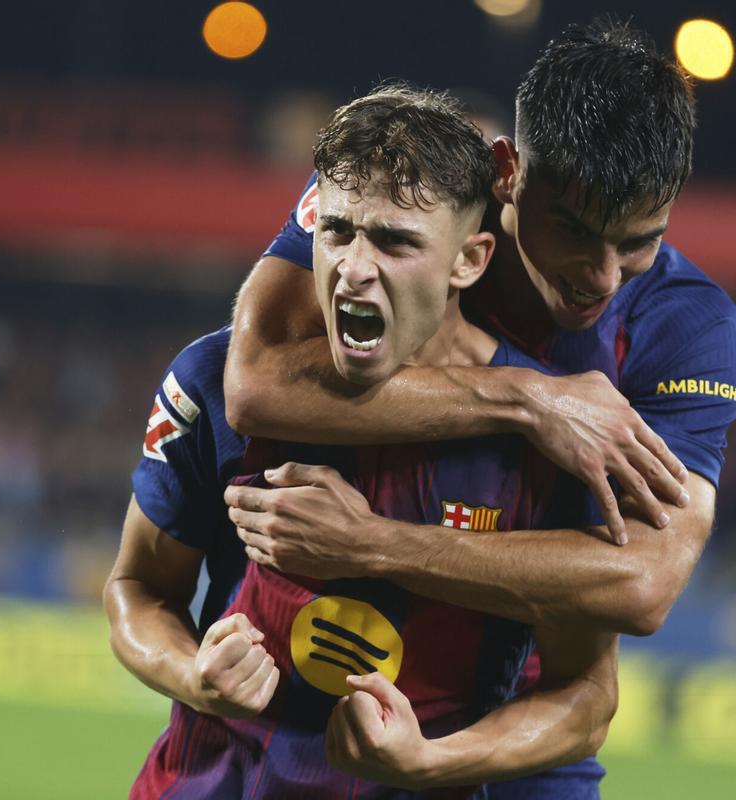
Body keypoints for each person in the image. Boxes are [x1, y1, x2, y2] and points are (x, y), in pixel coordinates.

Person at [106, 86, 617, 799]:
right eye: (338, 230)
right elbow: (136, 588)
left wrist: (433, 762)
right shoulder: (213, 384)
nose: (352, 266)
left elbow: (585, 695)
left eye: (396, 240)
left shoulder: (554, 435)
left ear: (469, 261)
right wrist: (191, 673)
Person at [224, 17, 736, 642]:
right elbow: (254, 384)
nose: (605, 277)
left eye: (640, 241)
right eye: (575, 232)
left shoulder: (694, 328)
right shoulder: (408, 193)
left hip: (521, 696)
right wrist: (529, 398)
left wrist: (373, 545)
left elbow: (642, 583)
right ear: (509, 171)